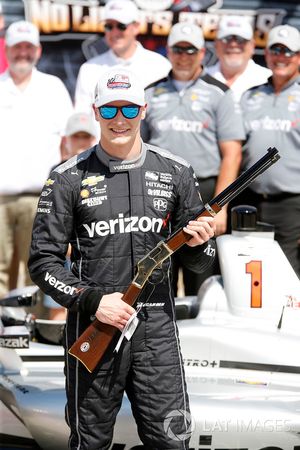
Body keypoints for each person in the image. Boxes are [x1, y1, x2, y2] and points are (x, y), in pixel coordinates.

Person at [28, 67, 216, 449]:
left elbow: (200, 264)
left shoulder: (176, 172)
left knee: (171, 442)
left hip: (157, 330)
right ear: (96, 112)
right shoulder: (66, 177)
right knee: (90, 442)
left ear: (143, 111)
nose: (119, 120)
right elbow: (43, 262)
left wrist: (199, 245)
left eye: (129, 110)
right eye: (110, 110)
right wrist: (94, 301)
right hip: (93, 326)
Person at [142, 22, 245, 295]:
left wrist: (220, 207)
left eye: (190, 49)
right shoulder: (150, 93)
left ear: (202, 53)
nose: (183, 55)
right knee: (158, 272)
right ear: (169, 52)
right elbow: (137, 148)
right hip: (158, 191)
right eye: (178, 49)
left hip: (203, 193)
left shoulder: (220, 93)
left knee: (201, 273)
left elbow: (232, 153)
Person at [0, 20, 73, 300]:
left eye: (28, 47)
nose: (23, 53)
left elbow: (68, 143)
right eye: (17, 47)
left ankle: (37, 334)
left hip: (42, 197)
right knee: (1, 272)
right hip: (1, 199)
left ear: (38, 51)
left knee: (41, 269)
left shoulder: (53, 88)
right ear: (6, 50)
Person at [236, 24, 300, 278]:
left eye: (288, 52)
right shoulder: (249, 96)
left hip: (291, 203)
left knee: (288, 275)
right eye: (275, 50)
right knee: (250, 271)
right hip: (249, 198)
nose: (280, 57)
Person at [44, 112, 97, 320]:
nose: (81, 142)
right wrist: (62, 245)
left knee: (90, 308)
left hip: (90, 249)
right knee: (57, 309)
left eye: (86, 137)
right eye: (77, 137)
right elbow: (50, 216)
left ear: (93, 139)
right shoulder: (56, 171)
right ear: (67, 140)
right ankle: (57, 349)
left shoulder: (101, 168)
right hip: (63, 249)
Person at [74, 0, 171, 113]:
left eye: (121, 26)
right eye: (109, 26)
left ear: (136, 27)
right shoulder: (89, 68)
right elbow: (82, 116)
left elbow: (166, 113)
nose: (115, 32)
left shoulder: (160, 65)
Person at [206, 15, 271, 102]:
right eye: (227, 39)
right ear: (216, 44)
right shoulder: (199, 80)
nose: (233, 45)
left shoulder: (268, 79)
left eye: (240, 39)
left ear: (252, 45)